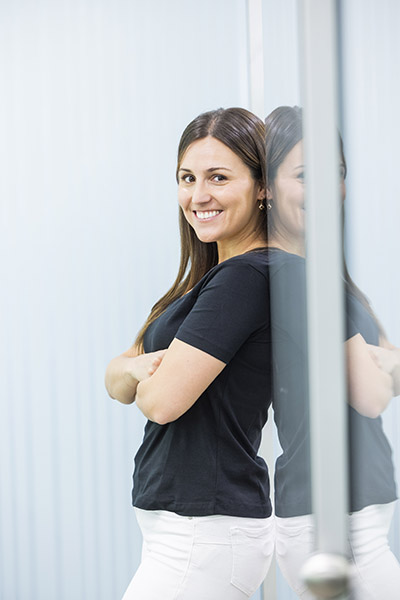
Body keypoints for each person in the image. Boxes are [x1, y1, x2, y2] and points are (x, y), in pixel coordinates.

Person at [105, 107, 276, 600]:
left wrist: (137, 376)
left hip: (204, 532)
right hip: (185, 531)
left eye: (218, 178)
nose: (198, 196)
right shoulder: (202, 282)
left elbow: (161, 403)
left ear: (263, 186)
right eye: (187, 178)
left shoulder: (246, 277)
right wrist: (137, 369)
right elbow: (116, 377)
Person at [264, 105, 400, 599]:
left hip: (350, 520)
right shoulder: (293, 275)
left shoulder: (323, 273)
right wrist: (380, 366)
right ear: (268, 185)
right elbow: (371, 393)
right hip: (333, 525)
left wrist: (383, 364)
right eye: (304, 175)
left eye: (335, 173)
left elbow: (386, 360)